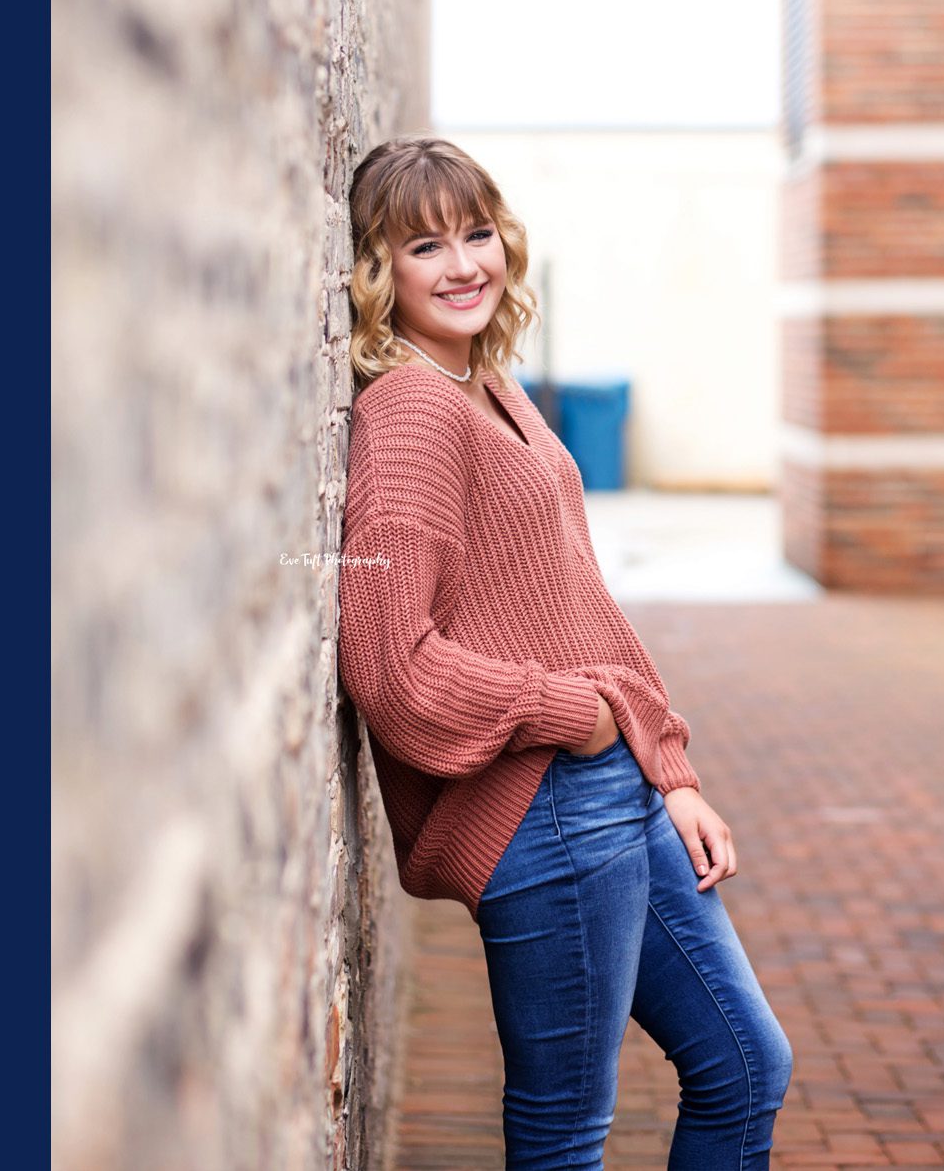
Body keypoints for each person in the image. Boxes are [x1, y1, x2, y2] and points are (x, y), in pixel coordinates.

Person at [337, 136, 794, 1168]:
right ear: (378, 270)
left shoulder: (486, 383)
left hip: (609, 788)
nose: (463, 264)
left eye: (476, 233)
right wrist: (577, 717)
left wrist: (664, 766)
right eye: (423, 245)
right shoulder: (409, 411)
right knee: (563, 1138)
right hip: (541, 809)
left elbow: (574, 604)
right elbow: (389, 667)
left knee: (745, 1067)